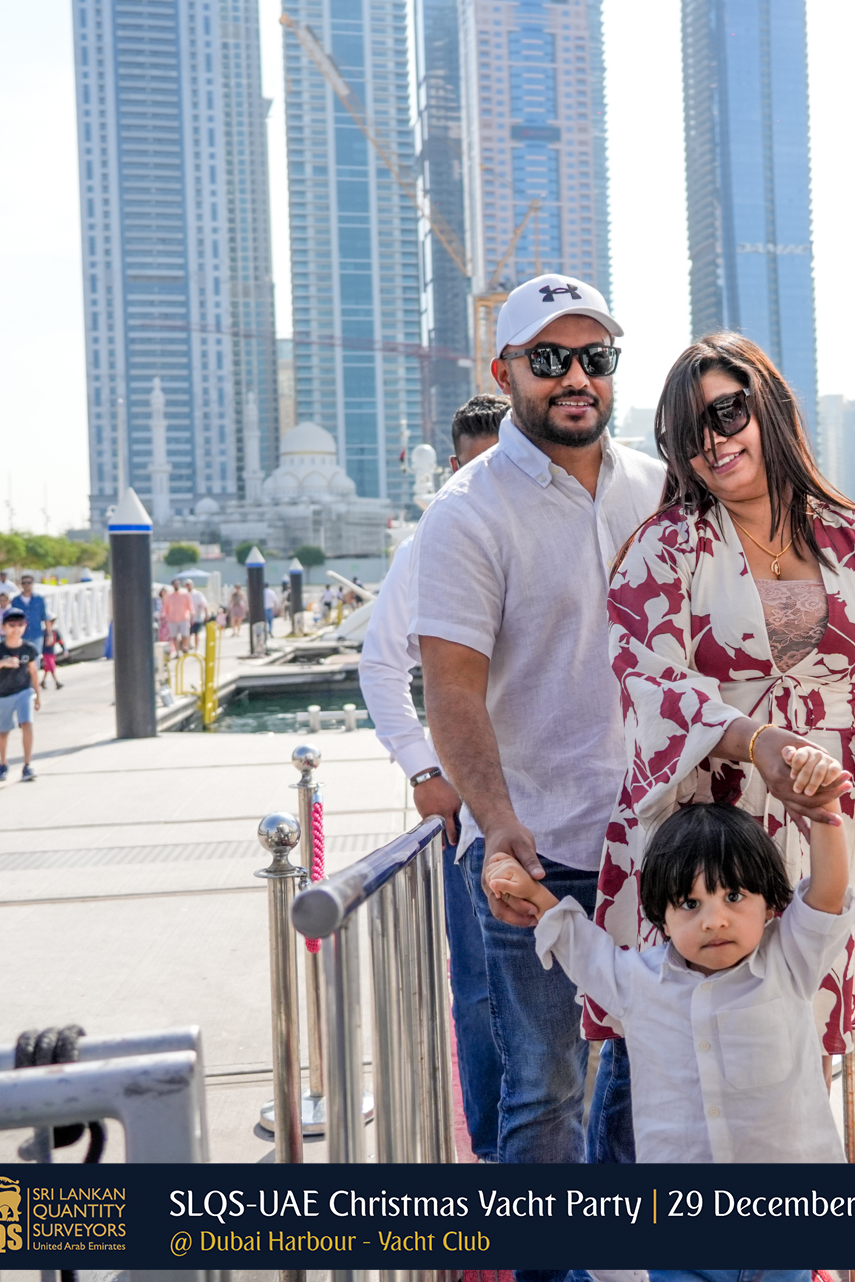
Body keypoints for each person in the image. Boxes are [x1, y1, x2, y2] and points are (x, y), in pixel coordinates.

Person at [599, 331, 855, 1069]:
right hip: (709, 841)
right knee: (695, 1063)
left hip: (828, 829)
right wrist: (756, 741)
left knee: (803, 1063)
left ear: (769, 406)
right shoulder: (665, 548)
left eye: (728, 412)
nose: (713, 440)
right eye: (689, 430)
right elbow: (649, 680)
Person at [413, 273, 666, 1168]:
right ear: (505, 371)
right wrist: (496, 826)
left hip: (658, 839)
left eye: (595, 358)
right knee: (545, 1088)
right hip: (540, 847)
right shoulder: (466, 513)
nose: (576, 378)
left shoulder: (661, 488)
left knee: (647, 1067)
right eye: (550, 358)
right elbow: (450, 691)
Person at [486, 789, 851, 1165]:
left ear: (769, 903)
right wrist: (531, 893)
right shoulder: (636, 982)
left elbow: (828, 894)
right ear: (662, 918)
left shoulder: (790, 961)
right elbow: (577, 941)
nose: (714, 921)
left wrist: (825, 810)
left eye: (734, 897)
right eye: (691, 904)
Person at [359, 392, 511, 1163]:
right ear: (452, 467)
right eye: (477, 465)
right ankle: (489, 1144)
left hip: (569, 801)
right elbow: (380, 667)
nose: (493, 479)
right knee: (480, 983)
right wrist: (424, 771)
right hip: (474, 812)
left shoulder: (562, 524)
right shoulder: (425, 548)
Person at [0, 610, 41, 781]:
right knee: (4, 732)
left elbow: (33, 672)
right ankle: (3, 763)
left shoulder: (29, 648)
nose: (16, 629)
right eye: (12, 625)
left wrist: (38, 695)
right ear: (4, 627)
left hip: (24, 691)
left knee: (27, 724)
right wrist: (1, 663)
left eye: (20, 625)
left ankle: (27, 765)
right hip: (3, 694)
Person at [9, 574, 50, 657]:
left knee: (36, 657)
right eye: (24, 583)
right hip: (21, 634)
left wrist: (49, 634)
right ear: (21, 584)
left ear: (32, 584)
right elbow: (12, 618)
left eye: (29, 583)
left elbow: (45, 616)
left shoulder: (39, 599)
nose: (26, 585)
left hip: (36, 633)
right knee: (22, 658)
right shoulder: (15, 600)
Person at [39, 621, 66, 690]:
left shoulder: (55, 632)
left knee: (47, 667)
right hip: (45, 652)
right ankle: (57, 682)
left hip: (51, 652)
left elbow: (60, 641)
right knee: (51, 666)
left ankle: (43, 681)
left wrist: (64, 650)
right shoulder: (43, 633)